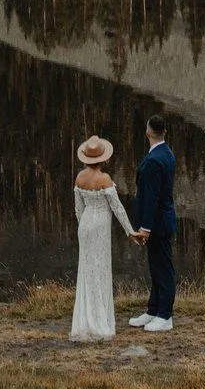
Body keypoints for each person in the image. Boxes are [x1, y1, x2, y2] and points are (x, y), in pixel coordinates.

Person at [68, 135, 136, 341]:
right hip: (100, 226)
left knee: (87, 270)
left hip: (86, 224)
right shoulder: (104, 179)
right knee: (100, 269)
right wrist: (129, 231)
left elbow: (78, 209)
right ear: (103, 159)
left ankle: (85, 320)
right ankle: (100, 321)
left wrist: (83, 228)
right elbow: (117, 208)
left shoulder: (80, 178)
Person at [128, 114, 179, 330]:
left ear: (148, 133)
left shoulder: (154, 160)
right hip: (162, 220)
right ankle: (153, 310)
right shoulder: (166, 154)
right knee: (156, 267)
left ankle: (165, 316)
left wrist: (145, 228)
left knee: (163, 268)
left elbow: (151, 197)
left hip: (157, 223)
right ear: (163, 132)